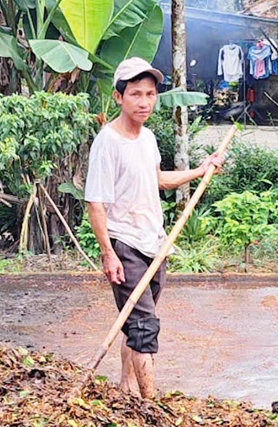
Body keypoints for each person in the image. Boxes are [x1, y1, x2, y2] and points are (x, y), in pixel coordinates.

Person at [84, 57, 224, 399]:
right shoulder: (108, 143)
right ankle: (151, 405)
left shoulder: (147, 138)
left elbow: (158, 179)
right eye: (135, 94)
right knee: (145, 324)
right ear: (119, 97)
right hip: (124, 245)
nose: (144, 101)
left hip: (154, 243)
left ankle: (126, 384)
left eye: (149, 94)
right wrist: (108, 254)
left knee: (135, 321)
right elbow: (95, 203)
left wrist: (200, 170)